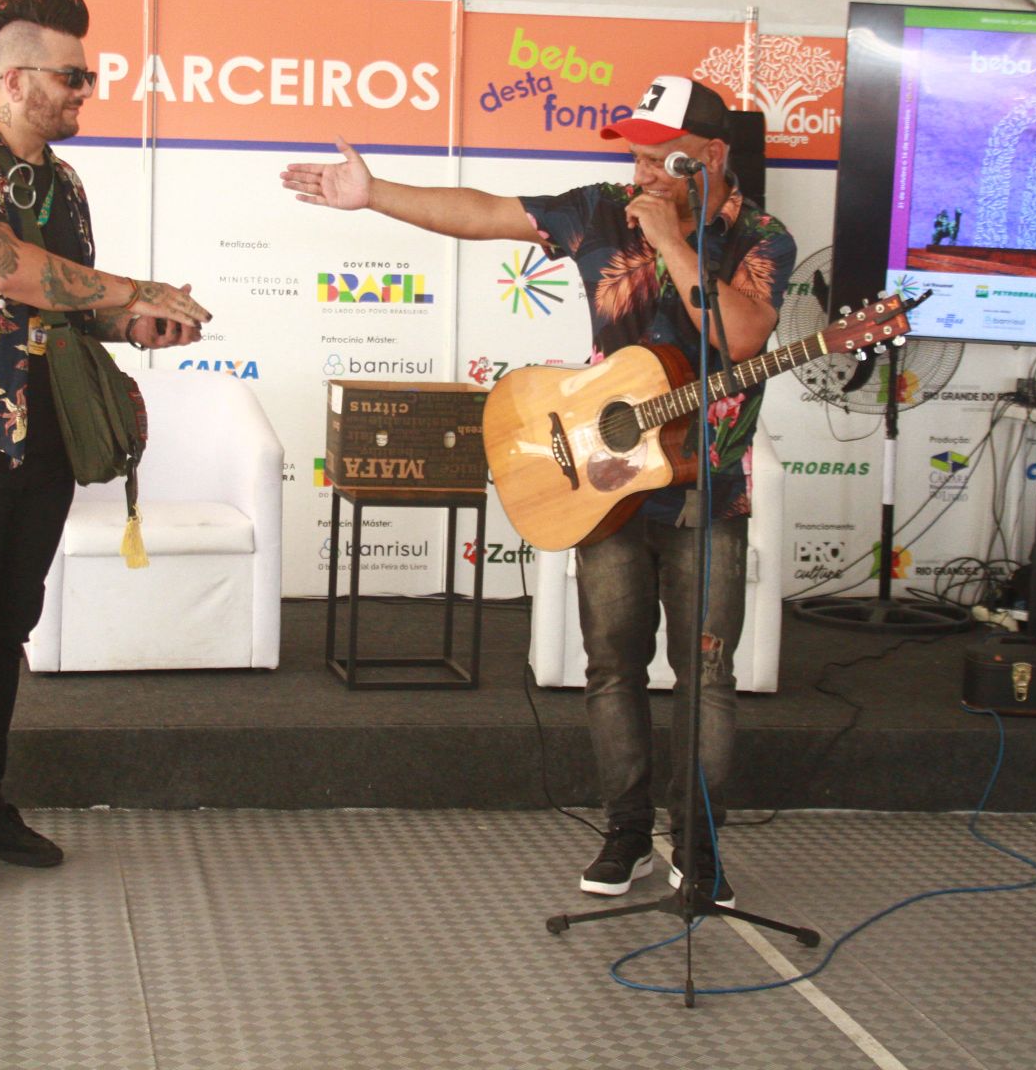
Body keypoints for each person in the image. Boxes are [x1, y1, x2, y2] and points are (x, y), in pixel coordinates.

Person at [282, 76, 797, 907]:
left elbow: (742, 337)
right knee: (611, 669)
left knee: (705, 677)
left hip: (708, 495)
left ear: (711, 154)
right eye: (633, 150)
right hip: (600, 479)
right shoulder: (600, 207)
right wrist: (374, 194)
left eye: (658, 153)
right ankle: (626, 831)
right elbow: (485, 211)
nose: (641, 170)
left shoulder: (764, 237)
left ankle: (697, 850)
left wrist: (671, 241)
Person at [0, 0, 211, 899]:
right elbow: (8, 268)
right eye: (75, 76)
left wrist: (134, 326)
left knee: (8, 629)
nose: (87, 90)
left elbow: (71, 306)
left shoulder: (62, 183)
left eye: (89, 75)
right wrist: (134, 288)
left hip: (46, 435)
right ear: (17, 76)